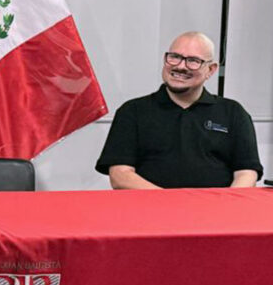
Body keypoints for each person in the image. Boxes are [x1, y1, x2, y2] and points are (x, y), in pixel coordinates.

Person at [96, 31, 262, 189]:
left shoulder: (233, 112)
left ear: (210, 70)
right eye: (175, 57)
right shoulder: (132, 111)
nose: (181, 67)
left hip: (214, 213)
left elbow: (246, 173)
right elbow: (120, 175)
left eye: (193, 61)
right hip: (151, 212)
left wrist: (224, 205)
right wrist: (170, 202)